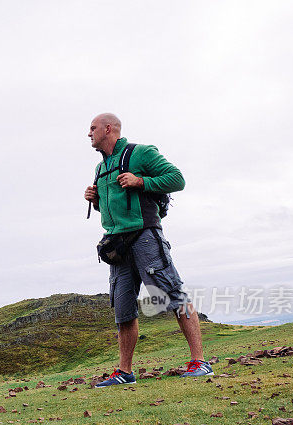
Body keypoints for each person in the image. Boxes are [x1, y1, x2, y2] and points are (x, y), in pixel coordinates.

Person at [84, 113, 212, 386]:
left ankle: (200, 362)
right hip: (116, 243)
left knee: (172, 293)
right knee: (123, 309)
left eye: (92, 128)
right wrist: (95, 201)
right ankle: (125, 372)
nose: (89, 133)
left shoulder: (140, 153)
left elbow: (177, 179)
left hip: (145, 235)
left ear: (109, 129)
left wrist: (141, 181)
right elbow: (112, 206)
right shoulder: (101, 167)